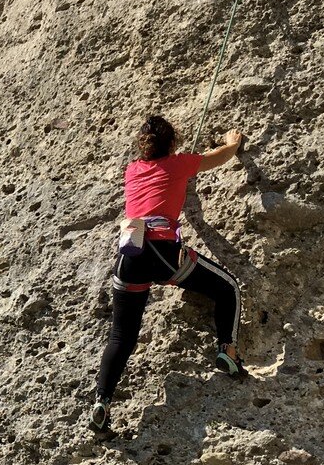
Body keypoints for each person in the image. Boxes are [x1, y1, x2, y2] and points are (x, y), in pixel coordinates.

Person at [90, 115, 245, 431]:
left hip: (130, 254)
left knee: (121, 335)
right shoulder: (180, 164)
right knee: (227, 288)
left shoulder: (132, 171)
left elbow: (160, 190)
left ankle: (102, 401)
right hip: (164, 256)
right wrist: (233, 142)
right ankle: (227, 351)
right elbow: (222, 157)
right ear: (172, 143)